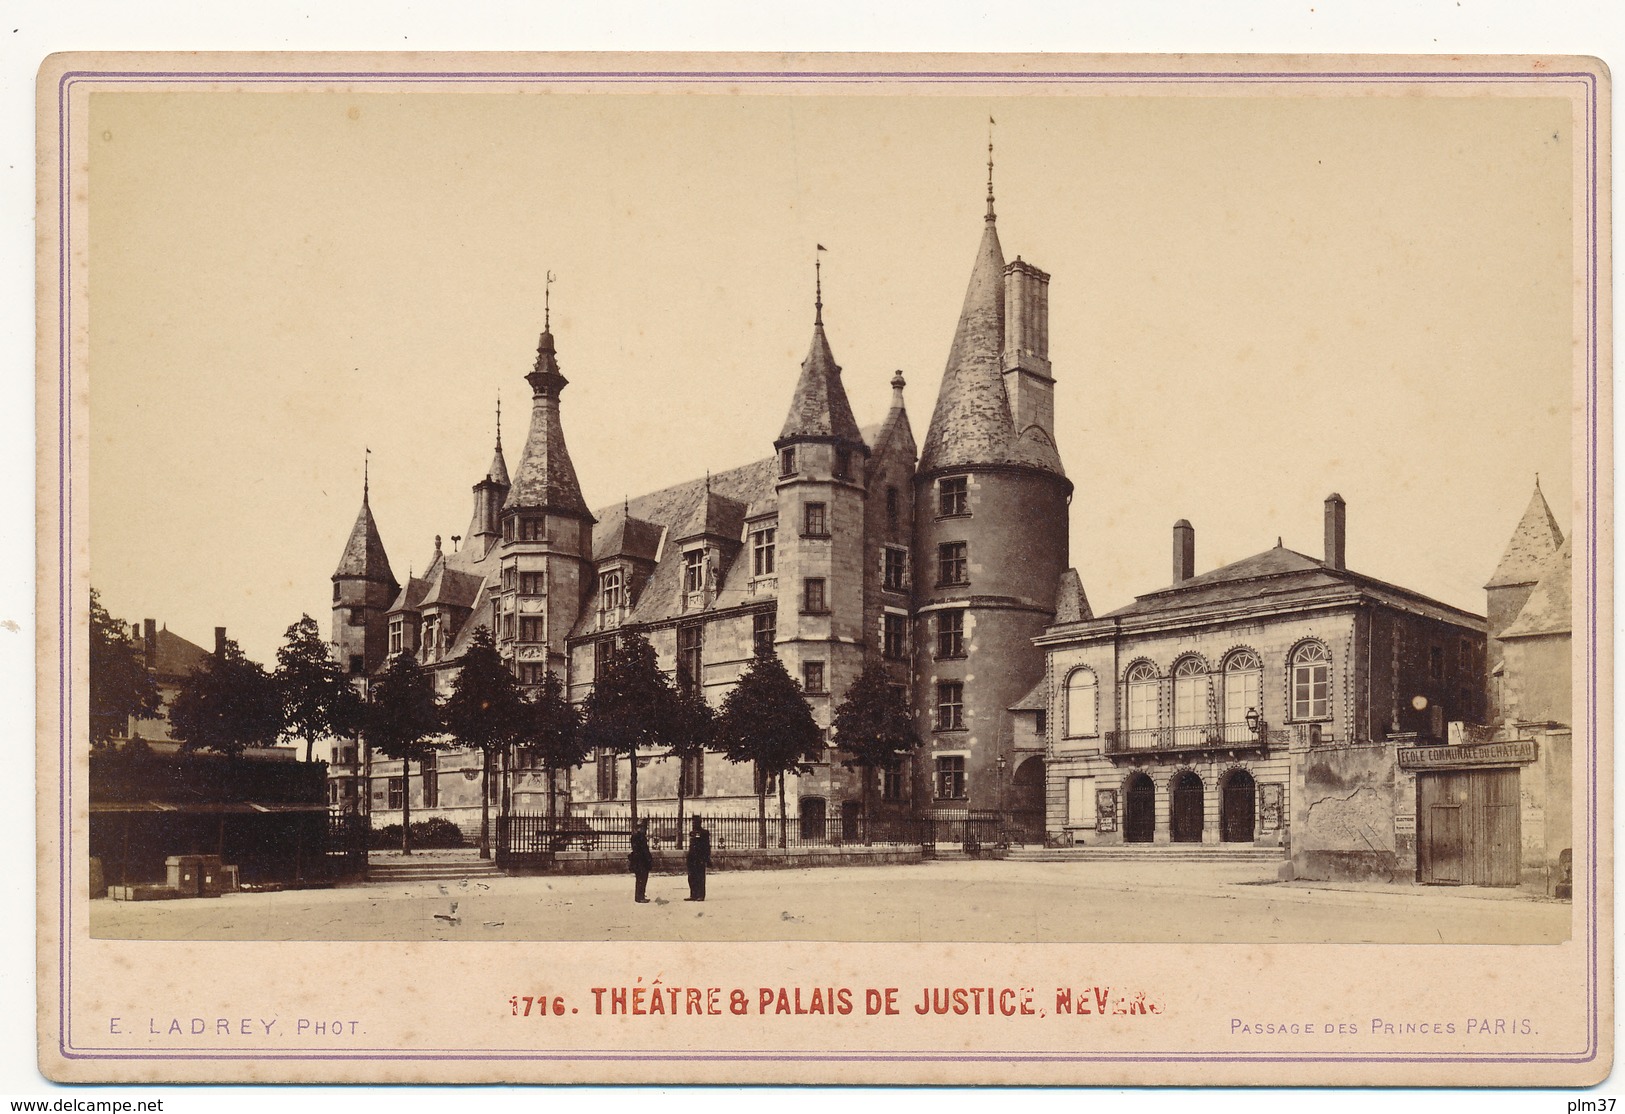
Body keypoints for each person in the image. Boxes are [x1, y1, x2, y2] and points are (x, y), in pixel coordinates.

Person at [684, 815, 711, 901]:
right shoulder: (692, 833)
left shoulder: (704, 833)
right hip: (691, 858)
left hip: (700, 858)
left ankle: (700, 895)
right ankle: (693, 894)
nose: (693, 824)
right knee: (691, 877)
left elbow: (707, 846)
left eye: (695, 822)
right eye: (692, 822)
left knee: (700, 877)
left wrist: (707, 858)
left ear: (699, 823)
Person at [628, 819, 652, 903]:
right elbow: (643, 850)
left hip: (639, 861)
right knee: (641, 879)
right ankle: (640, 897)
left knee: (640, 879)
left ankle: (640, 895)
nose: (645, 829)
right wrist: (648, 859)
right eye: (643, 827)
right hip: (641, 861)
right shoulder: (640, 837)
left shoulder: (636, 836)